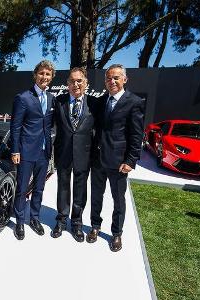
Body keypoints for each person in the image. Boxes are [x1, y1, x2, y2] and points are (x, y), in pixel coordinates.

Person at [87, 64, 144, 252]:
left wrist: (130, 161)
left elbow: (136, 135)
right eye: (109, 78)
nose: (112, 81)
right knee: (96, 196)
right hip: (98, 160)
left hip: (119, 163)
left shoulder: (134, 102)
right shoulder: (101, 101)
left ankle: (116, 233)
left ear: (125, 80)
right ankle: (95, 226)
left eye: (116, 78)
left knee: (118, 200)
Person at [10, 60, 56, 240]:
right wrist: (15, 151)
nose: (44, 77)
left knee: (39, 188)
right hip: (26, 151)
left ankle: (34, 218)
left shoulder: (51, 98)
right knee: (22, 188)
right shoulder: (23, 98)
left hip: (45, 153)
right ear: (35, 75)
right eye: (42, 73)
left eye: (48, 74)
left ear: (51, 78)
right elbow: (15, 127)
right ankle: (20, 221)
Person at [50, 67, 95, 242]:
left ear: (86, 83)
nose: (76, 84)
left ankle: (77, 222)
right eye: (72, 81)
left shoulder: (94, 103)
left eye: (79, 81)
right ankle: (61, 221)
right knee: (62, 187)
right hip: (63, 153)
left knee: (80, 189)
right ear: (67, 83)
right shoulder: (58, 101)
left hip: (84, 154)